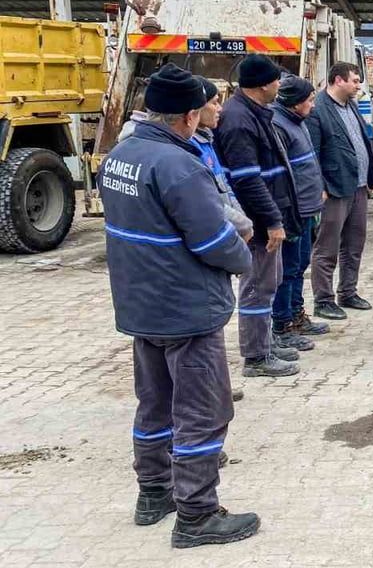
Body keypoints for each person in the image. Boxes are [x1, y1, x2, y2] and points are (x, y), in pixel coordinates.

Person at [100, 63, 260, 548]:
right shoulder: (179, 166)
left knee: (155, 403)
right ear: (189, 116)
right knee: (202, 411)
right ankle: (197, 514)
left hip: (141, 304)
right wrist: (244, 258)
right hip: (185, 309)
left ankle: (154, 493)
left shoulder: (121, 155)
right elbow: (212, 239)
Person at [216, 55, 302, 377]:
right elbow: (247, 179)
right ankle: (256, 357)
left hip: (266, 216)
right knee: (257, 287)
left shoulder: (254, 112)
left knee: (269, 282)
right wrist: (272, 221)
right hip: (257, 224)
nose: (279, 85)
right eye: (276, 80)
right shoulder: (239, 120)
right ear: (263, 85)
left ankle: (265, 342)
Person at [307, 61, 373, 319]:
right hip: (334, 190)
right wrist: (320, 186)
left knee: (354, 244)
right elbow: (312, 153)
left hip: (358, 186)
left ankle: (348, 292)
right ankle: (323, 300)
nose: (358, 86)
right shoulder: (318, 110)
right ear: (338, 80)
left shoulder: (350, 106)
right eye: (355, 81)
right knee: (326, 247)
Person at [269, 75, 329, 338]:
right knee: (288, 268)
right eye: (310, 100)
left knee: (300, 264)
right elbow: (283, 175)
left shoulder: (297, 122)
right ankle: (283, 323)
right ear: (295, 103)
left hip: (306, 208)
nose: (313, 105)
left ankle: (296, 314)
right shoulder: (278, 126)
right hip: (293, 211)